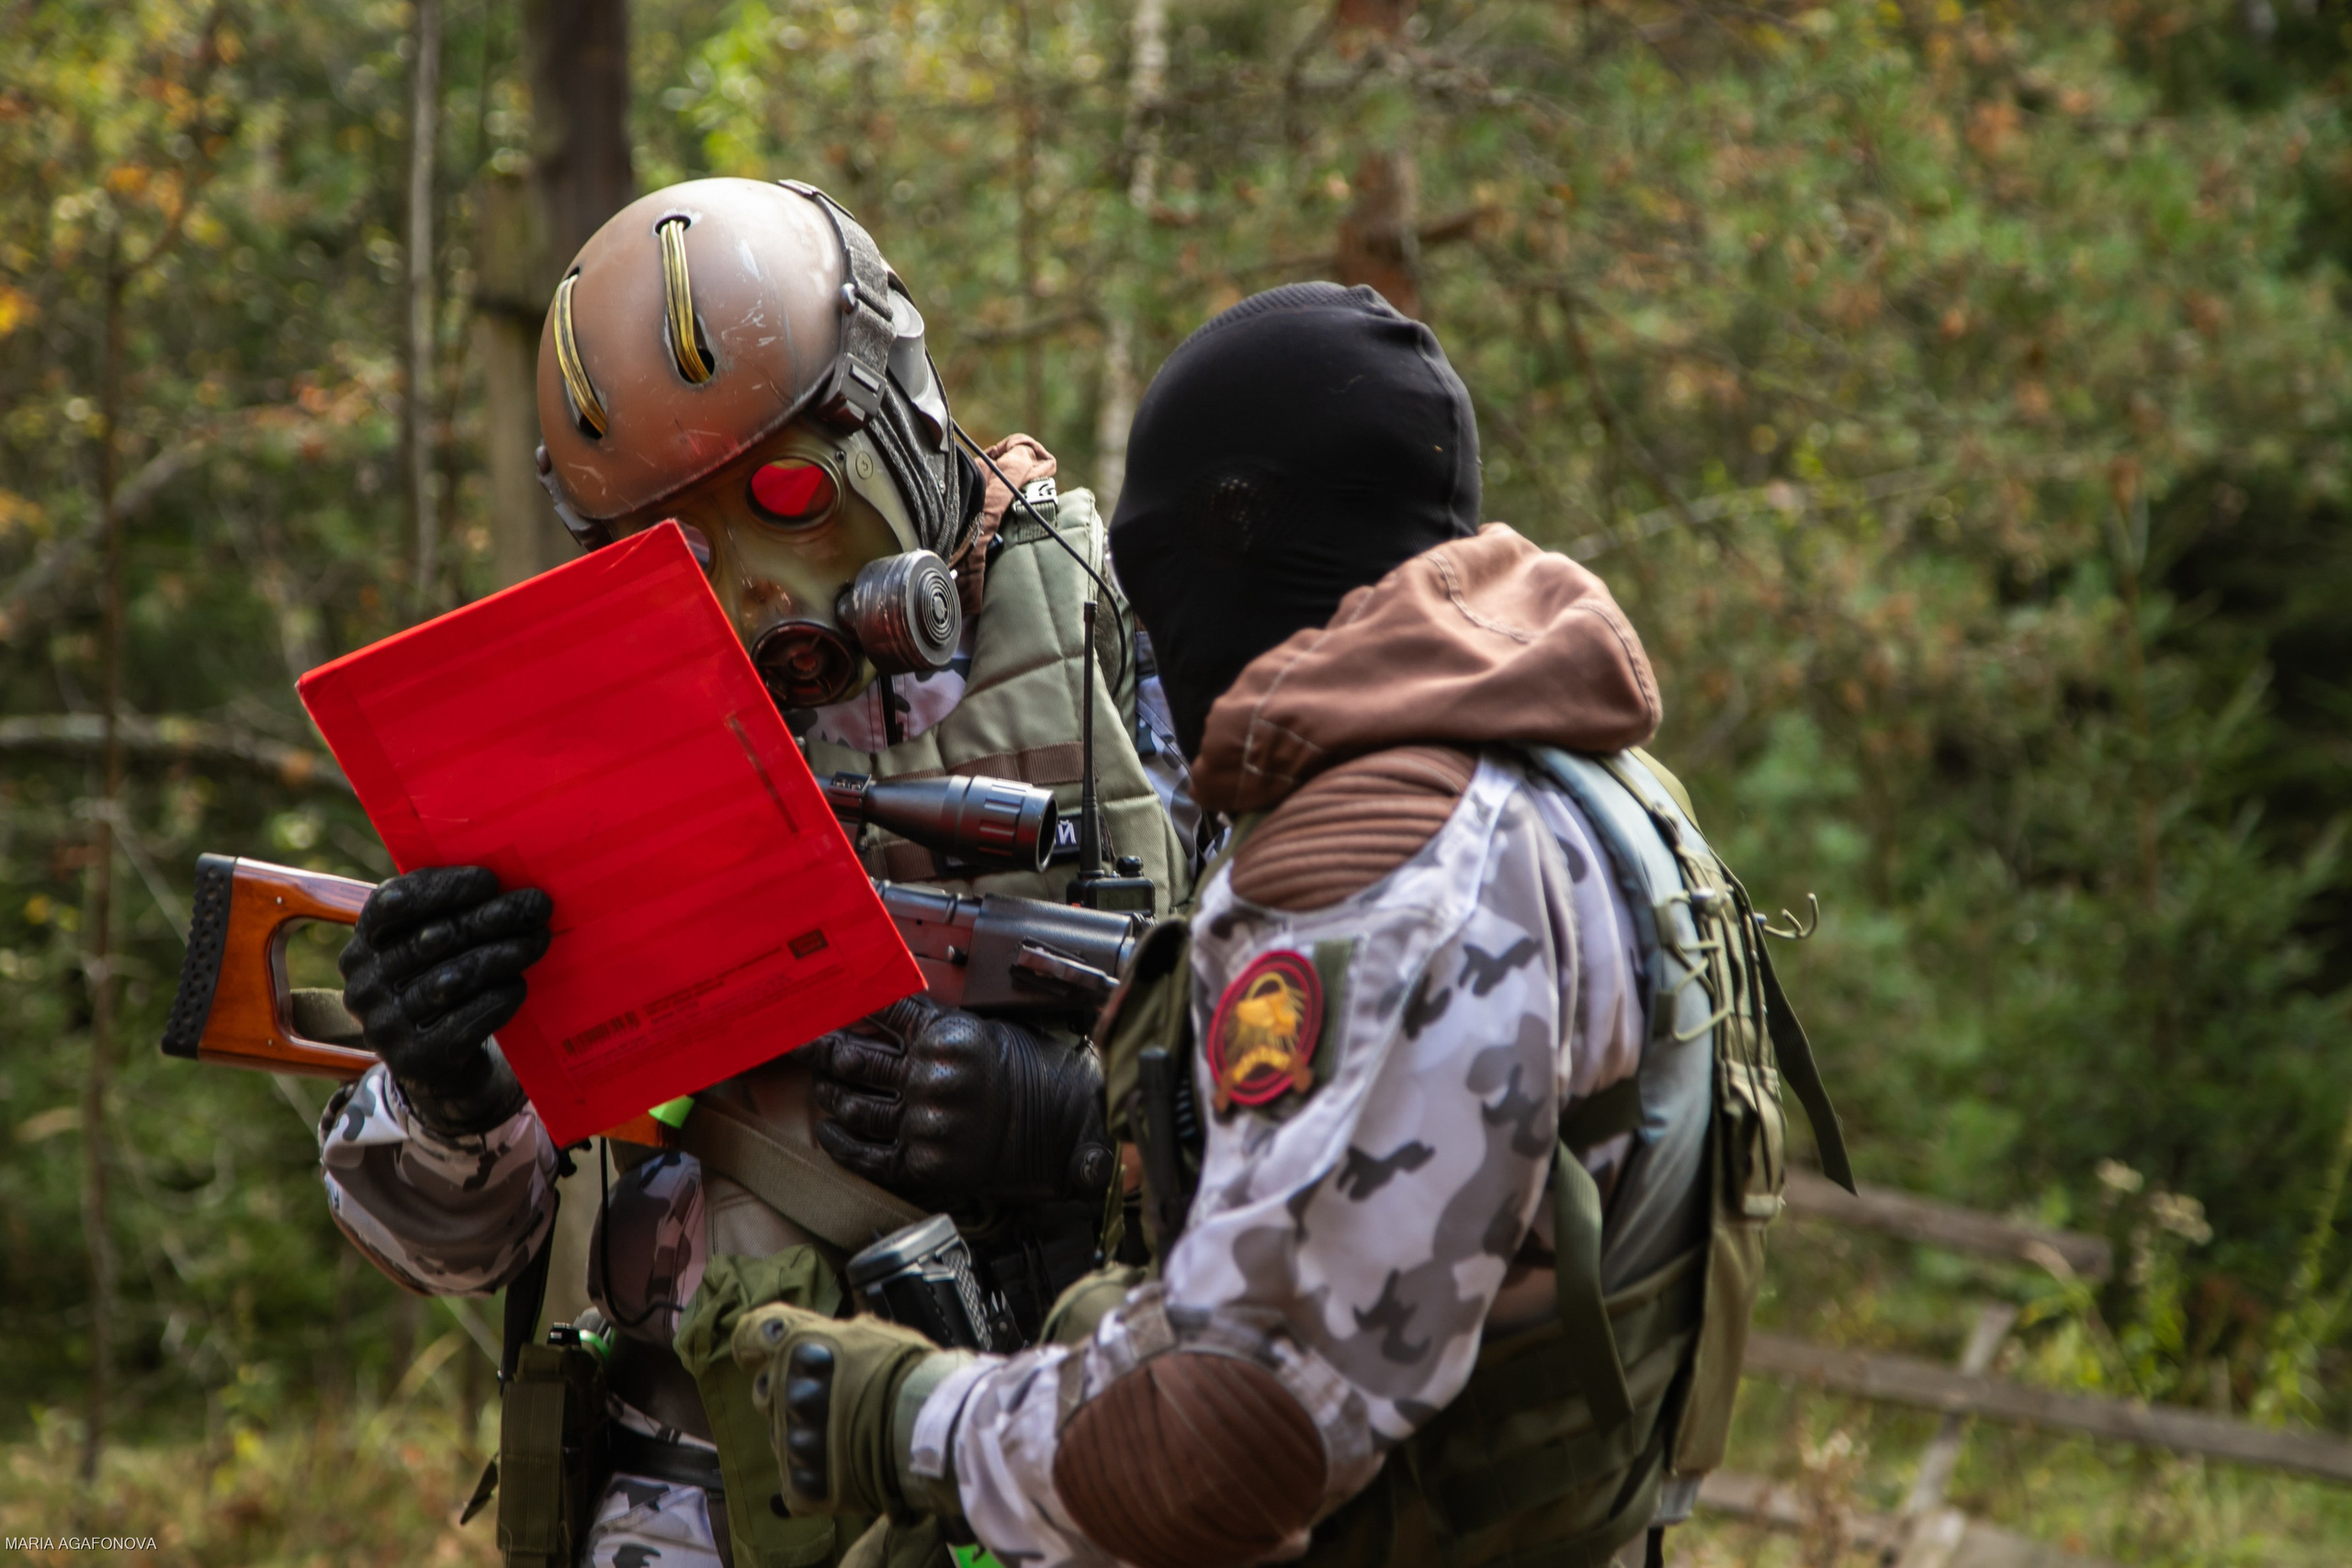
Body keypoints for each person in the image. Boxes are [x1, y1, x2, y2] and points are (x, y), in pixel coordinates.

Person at [726, 283, 1853, 1568]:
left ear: (1238, 529)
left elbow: (1235, 1435)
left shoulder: (1390, 866)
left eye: (1158, 574)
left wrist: (903, 1416)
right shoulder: (1594, 787)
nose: (1162, 635)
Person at [311, 177, 1195, 1568]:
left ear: (897, 418)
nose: (757, 591)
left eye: (789, 494)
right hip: (690, 1501)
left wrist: (1078, 1125)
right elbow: (452, 1247)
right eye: (675, 547)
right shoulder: (598, 735)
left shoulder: (1130, 650)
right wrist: (449, 1088)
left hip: (1054, 1467)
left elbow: (1341, 1110)